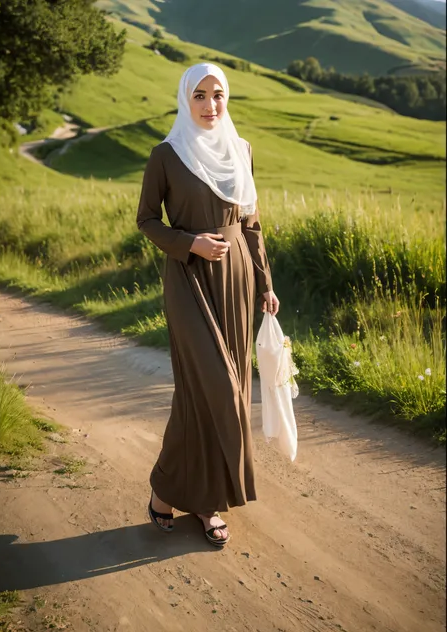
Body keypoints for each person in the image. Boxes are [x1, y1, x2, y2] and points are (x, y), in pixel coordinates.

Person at [136, 63, 279, 547]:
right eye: (200, 95)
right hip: (191, 281)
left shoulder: (242, 150)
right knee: (212, 388)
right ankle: (167, 486)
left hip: (237, 279)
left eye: (218, 94)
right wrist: (189, 243)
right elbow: (146, 221)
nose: (210, 104)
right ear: (185, 98)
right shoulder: (167, 154)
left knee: (226, 391)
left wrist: (265, 282)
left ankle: (205, 502)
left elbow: (253, 223)